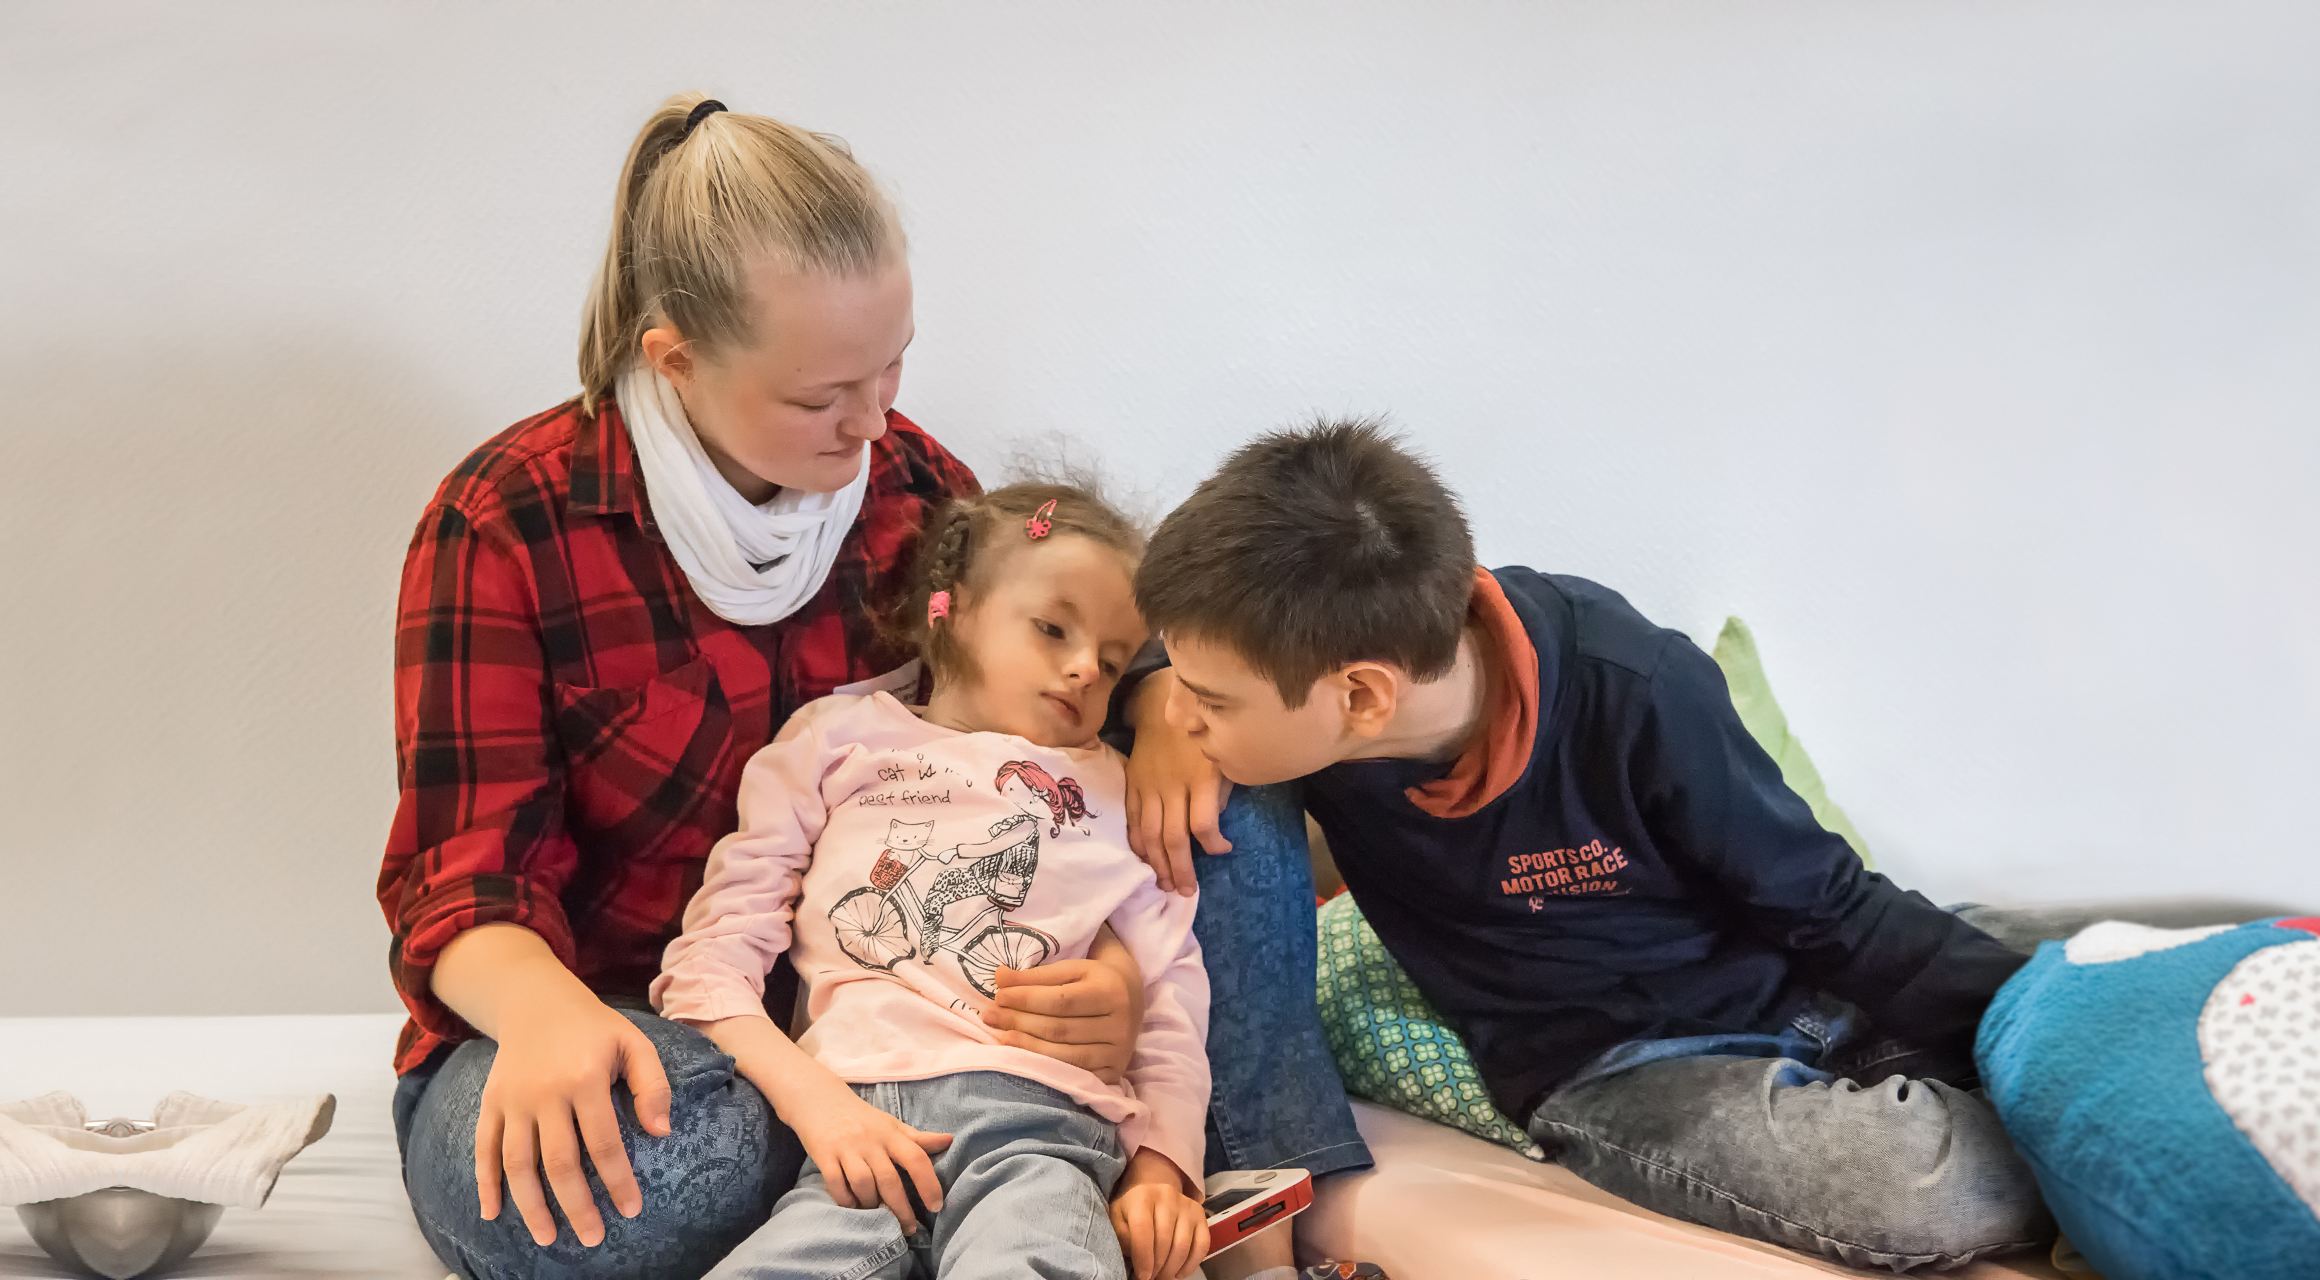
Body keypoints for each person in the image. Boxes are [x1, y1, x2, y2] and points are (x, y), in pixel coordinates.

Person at [377, 92, 1363, 1280]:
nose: (875, 418)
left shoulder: (914, 492)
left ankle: (1201, 1187)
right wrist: (547, 1017)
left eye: (892, 366)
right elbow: (460, 881)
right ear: (675, 360)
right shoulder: (506, 518)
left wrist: (1150, 733)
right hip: (645, 1027)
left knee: (1232, 790)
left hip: (931, 1006)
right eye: (820, 397)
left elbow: (1052, 649)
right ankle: (992, 1183)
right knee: (621, 1174)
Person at [1121, 418, 2055, 1273]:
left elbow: (1825, 902)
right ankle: (1982, 1106)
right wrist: (1152, 696)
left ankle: (1996, 1070)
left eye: (1208, 701)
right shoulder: (1290, 730)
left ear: (1363, 697)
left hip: (1795, 980)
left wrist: (2056, 1037)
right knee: (1927, 1191)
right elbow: (1153, 656)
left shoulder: (1635, 683)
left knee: (2084, 969)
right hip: (1623, 1068)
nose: (1189, 718)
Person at [656, 483, 1209, 1280]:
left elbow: (1172, 990)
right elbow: (711, 962)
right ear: (954, 607)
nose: (1087, 667)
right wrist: (817, 1107)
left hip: (1040, 1134)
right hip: (855, 1138)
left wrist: (1162, 1168)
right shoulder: (835, 740)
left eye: (1116, 662)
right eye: (1053, 628)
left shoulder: (1121, 790)